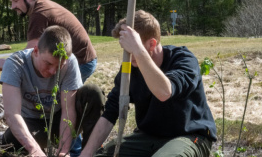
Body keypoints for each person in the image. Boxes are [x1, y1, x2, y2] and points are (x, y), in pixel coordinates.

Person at [79, 10, 217, 157]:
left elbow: (164, 92)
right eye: (125, 49)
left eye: (131, 48)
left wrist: (138, 50)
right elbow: (110, 114)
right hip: (147, 138)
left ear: (152, 44)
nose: (128, 54)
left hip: (189, 136)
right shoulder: (131, 67)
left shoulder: (184, 59)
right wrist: (86, 154)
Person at [0, 25, 104, 156]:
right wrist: (34, 149)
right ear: (36, 51)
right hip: (33, 125)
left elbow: (68, 111)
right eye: (49, 63)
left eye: (59, 66)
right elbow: (12, 114)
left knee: (93, 93)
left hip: (59, 120)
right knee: (10, 139)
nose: (53, 71)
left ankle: (90, 153)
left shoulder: (70, 62)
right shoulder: (15, 64)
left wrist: (64, 150)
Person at [9, 0, 97, 83]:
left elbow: (30, 52)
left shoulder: (39, 13)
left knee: (56, 95)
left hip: (81, 62)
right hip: (82, 59)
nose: (13, 6)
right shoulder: (41, 5)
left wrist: (9, 64)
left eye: (16, 1)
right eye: (12, 2)